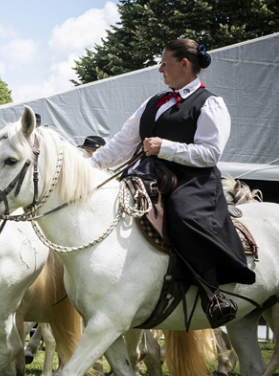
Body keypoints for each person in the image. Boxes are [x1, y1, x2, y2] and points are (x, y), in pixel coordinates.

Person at [89, 38, 255, 327]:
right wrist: (84, 170)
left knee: (183, 215)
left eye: (164, 64)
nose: (160, 69)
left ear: (185, 64)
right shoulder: (154, 102)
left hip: (192, 181)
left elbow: (210, 153)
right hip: (147, 176)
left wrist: (164, 147)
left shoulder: (210, 104)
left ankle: (211, 291)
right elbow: (120, 146)